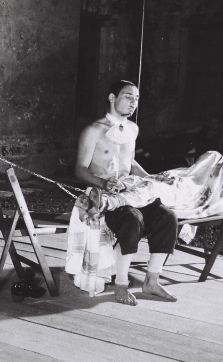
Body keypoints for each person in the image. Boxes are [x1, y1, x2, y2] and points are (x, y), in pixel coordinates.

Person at [73, 80, 177, 306]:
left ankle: (151, 281)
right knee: (132, 219)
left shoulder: (132, 129)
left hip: (131, 191)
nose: (133, 103)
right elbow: (80, 169)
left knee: (167, 217)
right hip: (103, 195)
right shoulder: (93, 130)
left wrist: (152, 178)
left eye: (136, 99)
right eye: (128, 97)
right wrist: (103, 182)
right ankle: (121, 285)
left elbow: (130, 163)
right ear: (112, 98)